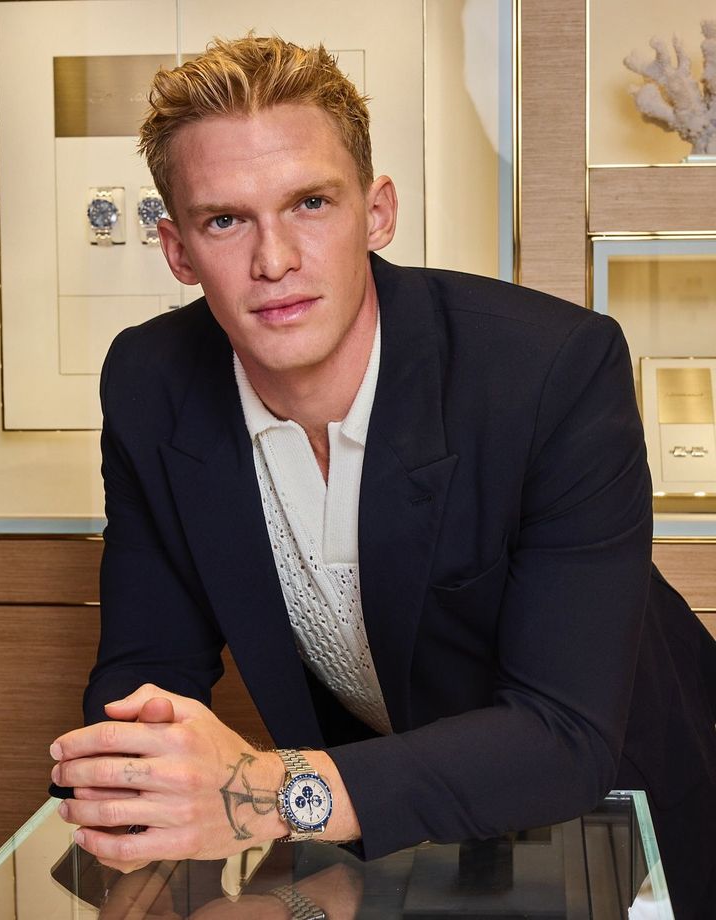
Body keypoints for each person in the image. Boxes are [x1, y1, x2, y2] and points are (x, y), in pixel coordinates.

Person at [50, 35, 716, 918]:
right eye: (225, 220)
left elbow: (561, 736)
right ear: (176, 251)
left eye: (311, 203)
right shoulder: (150, 381)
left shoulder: (552, 370)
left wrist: (259, 791)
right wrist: (141, 794)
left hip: (620, 824)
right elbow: (146, 676)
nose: (274, 260)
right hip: (378, 846)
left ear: (378, 210)